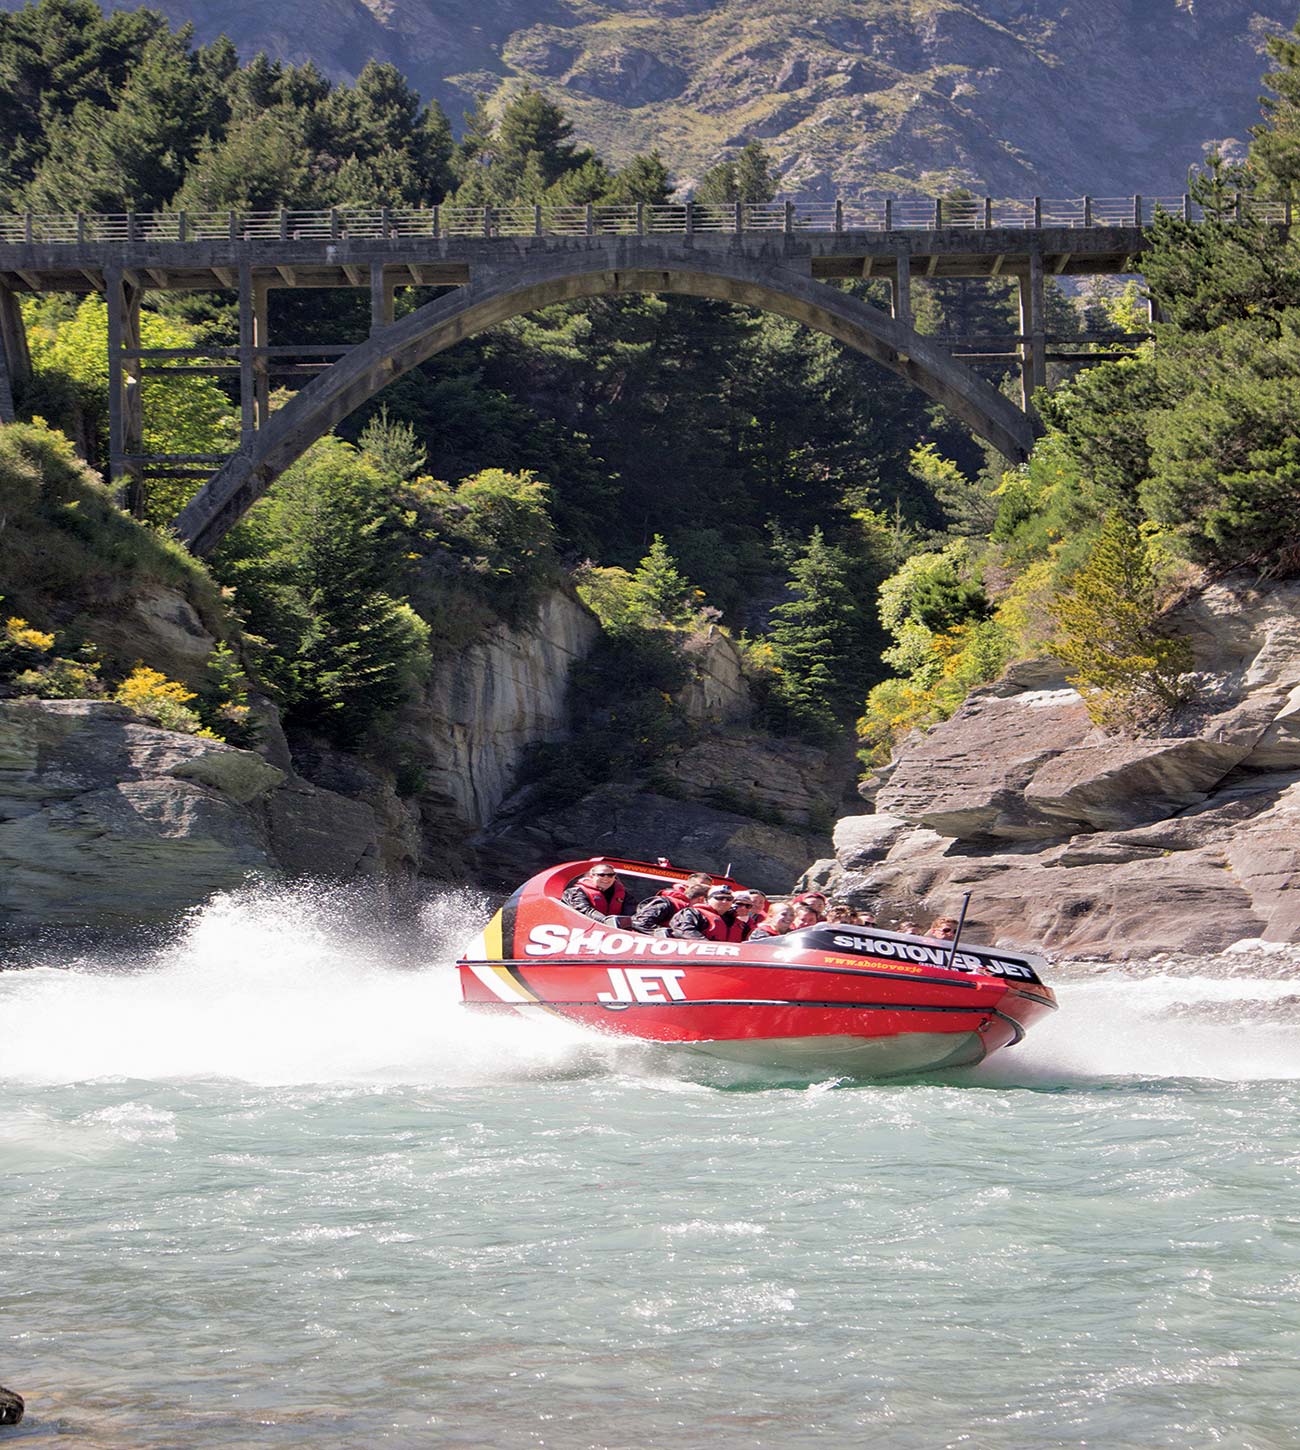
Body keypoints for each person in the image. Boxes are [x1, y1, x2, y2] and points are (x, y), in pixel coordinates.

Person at [631, 872, 713, 934]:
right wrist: (668, 936)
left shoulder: (696, 912)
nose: (702, 888)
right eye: (700, 886)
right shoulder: (667, 902)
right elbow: (640, 922)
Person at [561, 864, 639, 926]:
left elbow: (631, 914)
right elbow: (584, 910)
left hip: (612, 932)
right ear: (592, 876)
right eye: (601, 875)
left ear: (614, 877)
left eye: (610, 875)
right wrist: (606, 921)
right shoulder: (576, 893)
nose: (606, 878)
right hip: (581, 927)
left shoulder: (624, 895)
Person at [669, 884, 750, 942]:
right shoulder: (693, 913)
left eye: (729, 899)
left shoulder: (740, 924)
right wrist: (709, 946)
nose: (724, 901)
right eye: (719, 898)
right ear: (707, 900)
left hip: (728, 962)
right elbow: (683, 930)